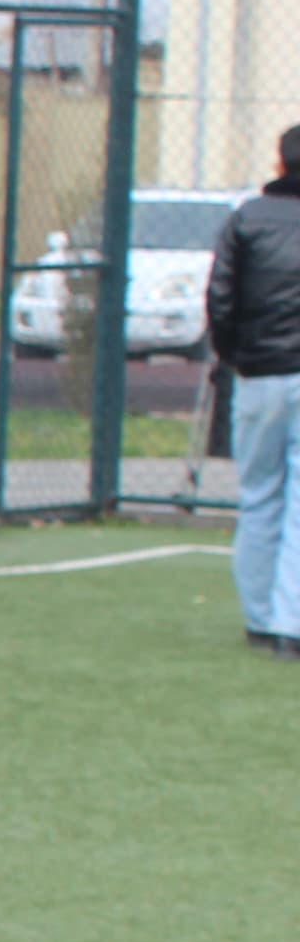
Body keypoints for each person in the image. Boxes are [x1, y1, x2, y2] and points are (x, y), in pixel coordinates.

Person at [203, 122, 300, 651]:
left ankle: (260, 621)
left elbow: (220, 296)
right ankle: (292, 625)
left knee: (260, 495)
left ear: (281, 162)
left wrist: (233, 355)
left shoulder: (247, 219)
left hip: (258, 376)